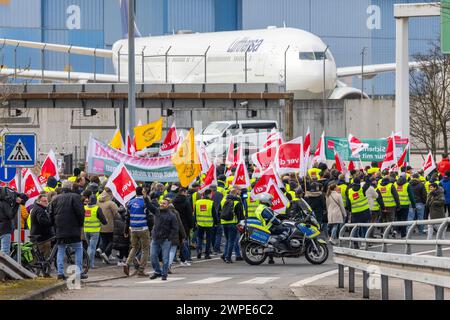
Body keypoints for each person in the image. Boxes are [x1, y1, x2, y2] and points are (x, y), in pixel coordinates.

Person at [48, 180, 87, 280]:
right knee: (78, 248)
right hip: (73, 228)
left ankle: (60, 273)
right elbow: (80, 213)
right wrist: (80, 224)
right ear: (71, 187)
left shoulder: (55, 199)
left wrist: (55, 226)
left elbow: (51, 214)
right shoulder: (75, 197)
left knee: (61, 249)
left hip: (60, 229)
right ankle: (78, 272)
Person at [123, 187, 159, 277]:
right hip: (143, 228)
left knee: (134, 247)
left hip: (133, 228)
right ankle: (141, 270)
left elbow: (127, 217)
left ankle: (127, 263)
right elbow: (150, 217)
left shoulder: (130, 202)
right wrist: (151, 229)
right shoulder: (145, 202)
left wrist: (126, 229)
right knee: (145, 249)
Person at [149, 198, 179, 281]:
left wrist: (170, 237)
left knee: (165, 258)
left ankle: (164, 274)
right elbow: (149, 206)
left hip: (165, 239)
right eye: (161, 203)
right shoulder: (157, 211)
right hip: (155, 238)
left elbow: (175, 228)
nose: (162, 204)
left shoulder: (171, 215)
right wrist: (145, 197)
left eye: (164, 203)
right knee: (153, 256)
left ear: (168, 205)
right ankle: (157, 271)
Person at [220, 187, 244, 263]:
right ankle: (228, 257)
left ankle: (224, 255)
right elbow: (240, 215)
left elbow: (220, 210)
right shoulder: (237, 202)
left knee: (228, 240)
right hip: (232, 223)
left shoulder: (223, 200)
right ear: (236, 194)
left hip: (224, 223)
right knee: (231, 241)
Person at [83, 194, 107, 269]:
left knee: (89, 247)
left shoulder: (84, 207)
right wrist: (106, 221)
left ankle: (87, 262)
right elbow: (103, 220)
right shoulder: (97, 209)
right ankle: (91, 264)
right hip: (94, 231)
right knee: (92, 248)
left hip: (86, 230)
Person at [345, 177, 371, 244]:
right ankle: (364, 241)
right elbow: (368, 183)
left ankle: (355, 243)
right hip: (365, 211)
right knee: (364, 227)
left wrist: (350, 210)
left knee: (355, 228)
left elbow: (348, 203)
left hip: (355, 212)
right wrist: (366, 176)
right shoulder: (362, 189)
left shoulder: (349, 191)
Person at [97, 187, 119, 264]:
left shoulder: (98, 201)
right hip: (110, 225)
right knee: (112, 241)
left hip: (100, 225)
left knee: (104, 241)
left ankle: (105, 255)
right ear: (110, 193)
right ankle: (105, 253)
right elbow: (117, 214)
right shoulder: (111, 203)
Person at [195, 189, 218, 259]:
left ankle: (199, 250)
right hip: (209, 224)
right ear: (210, 194)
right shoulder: (211, 203)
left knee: (199, 238)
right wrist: (216, 222)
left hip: (200, 223)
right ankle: (207, 254)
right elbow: (214, 214)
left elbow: (195, 213)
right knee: (208, 239)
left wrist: (195, 222)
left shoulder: (198, 202)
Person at [172, 187, 194, 265]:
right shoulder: (186, 201)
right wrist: (192, 225)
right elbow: (189, 214)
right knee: (184, 241)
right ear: (184, 192)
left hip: (175, 223)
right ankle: (183, 259)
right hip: (185, 224)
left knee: (174, 242)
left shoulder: (173, 201)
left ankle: (173, 258)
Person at [29, 194, 54, 259]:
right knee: (44, 256)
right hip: (42, 238)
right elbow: (43, 222)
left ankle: (43, 267)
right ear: (39, 201)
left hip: (40, 236)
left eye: (47, 201)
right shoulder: (40, 210)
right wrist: (52, 222)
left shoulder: (39, 208)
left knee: (39, 256)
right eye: (44, 201)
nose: (46, 202)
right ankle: (44, 268)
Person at [0, 188, 24, 255]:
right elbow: (10, 215)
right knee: (4, 253)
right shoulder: (3, 203)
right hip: (4, 229)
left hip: (3, 228)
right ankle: (3, 266)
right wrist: (16, 204)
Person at [167, 199, 186, 274]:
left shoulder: (161, 212)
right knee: (172, 250)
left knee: (166, 251)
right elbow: (180, 224)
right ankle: (168, 265)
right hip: (174, 234)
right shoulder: (175, 212)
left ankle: (166, 265)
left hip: (164, 234)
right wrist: (183, 235)